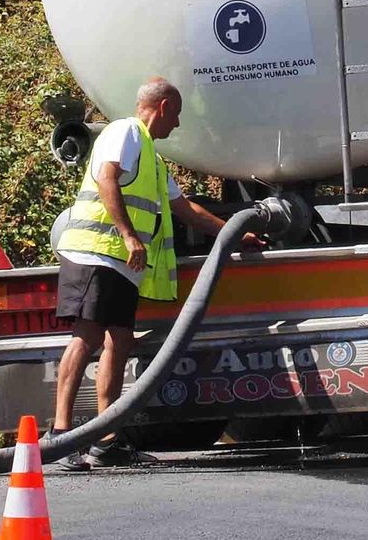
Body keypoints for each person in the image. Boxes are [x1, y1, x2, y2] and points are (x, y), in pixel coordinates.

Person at [47, 76, 257, 470]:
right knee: (88, 335)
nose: (175, 125)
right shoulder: (124, 131)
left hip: (119, 263)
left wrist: (235, 234)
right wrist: (128, 235)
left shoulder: (153, 160)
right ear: (161, 108)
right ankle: (60, 435)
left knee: (120, 341)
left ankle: (106, 439)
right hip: (96, 252)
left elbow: (186, 209)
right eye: (175, 115)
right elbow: (107, 177)